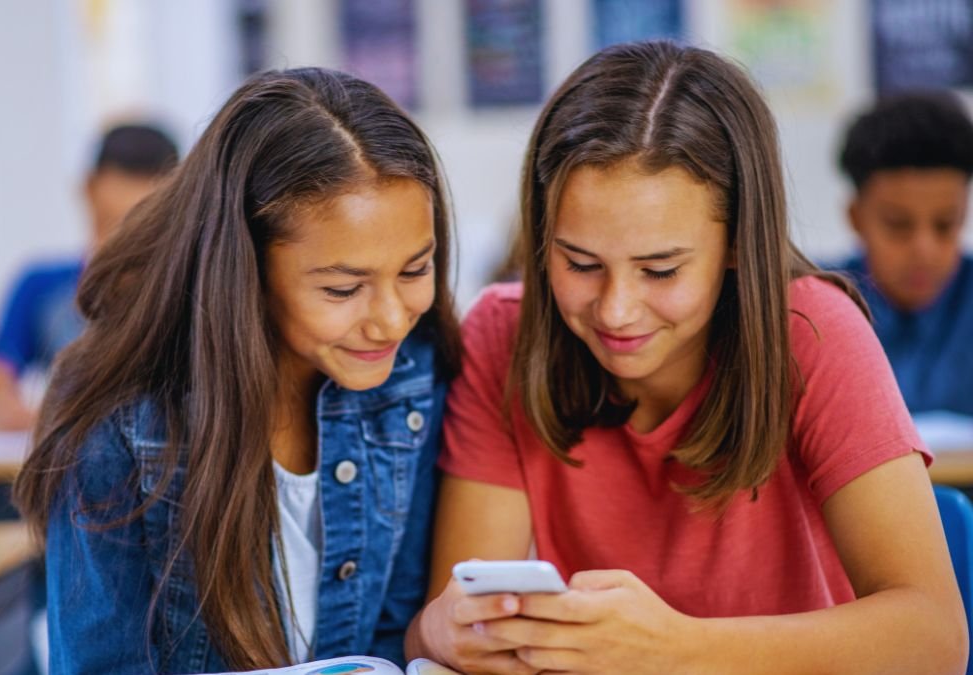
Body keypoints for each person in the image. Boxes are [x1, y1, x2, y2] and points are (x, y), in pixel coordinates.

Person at [407, 41, 967, 674]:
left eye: (661, 269)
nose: (617, 310)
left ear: (736, 245)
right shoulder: (502, 335)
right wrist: (441, 631)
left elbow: (935, 639)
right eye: (580, 263)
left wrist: (671, 651)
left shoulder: (812, 330)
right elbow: (454, 621)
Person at [13, 68, 462, 674]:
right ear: (244, 270)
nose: (389, 321)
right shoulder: (120, 427)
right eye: (343, 287)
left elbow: (391, 637)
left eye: (415, 270)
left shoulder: (412, 375)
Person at [0, 124, 179, 431]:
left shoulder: (184, 296)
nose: (120, 250)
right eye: (110, 225)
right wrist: (67, 425)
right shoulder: (41, 289)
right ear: (88, 189)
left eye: (142, 232)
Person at [834, 91, 973, 415]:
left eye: (945, 225)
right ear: (856, 217)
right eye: (898, 225)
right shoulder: (814, 310)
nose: (923, 250)